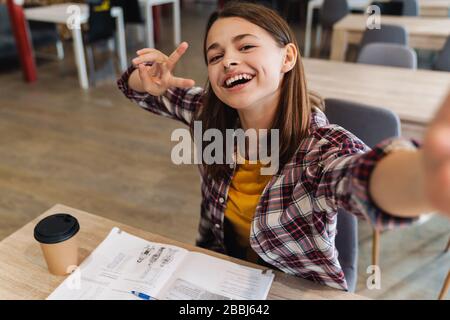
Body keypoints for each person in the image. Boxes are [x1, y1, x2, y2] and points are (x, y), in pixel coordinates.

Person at [118, 2, 450, 290]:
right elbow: (136, 88)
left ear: (287, 57)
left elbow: (362, 176)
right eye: (215, 55)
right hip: (220, 272)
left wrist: (424, 177)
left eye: (245, 47)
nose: (228, 61)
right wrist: (146, 77)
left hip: (297, 287)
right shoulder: (210, 115)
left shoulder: (320, 147)